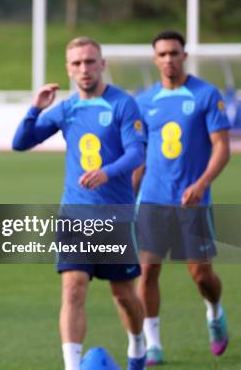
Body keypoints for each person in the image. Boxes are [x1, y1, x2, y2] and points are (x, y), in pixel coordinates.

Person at [13, 37, 147, 370]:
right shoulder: (67, 109)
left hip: (115, 217)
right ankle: (72, 366)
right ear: (68, 68)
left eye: (89, 62)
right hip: (75, 215)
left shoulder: (122, 104)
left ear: (102, 64)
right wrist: (35, 109)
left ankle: (138, 344)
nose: (84, 69)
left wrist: (108, 172)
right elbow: (20, 143)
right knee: (73, 289)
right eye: (76, 63)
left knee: (124, 296)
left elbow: (137, 152)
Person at [134, 30, 230, 366]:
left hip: (193, 200)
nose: (168, 59)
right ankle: (153, 344)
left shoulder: (206, 95)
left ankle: (215, 311)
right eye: (162, 54)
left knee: (201, 275)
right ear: (154, 59)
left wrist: (203, 183)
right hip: (153, 199)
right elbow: (139, 153)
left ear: (184, 55)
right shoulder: (144, 101)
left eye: (174, 53)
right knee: (147, 272)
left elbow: (222, 147)